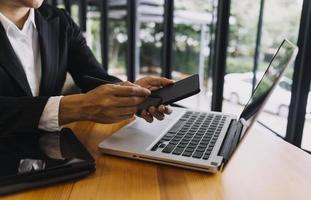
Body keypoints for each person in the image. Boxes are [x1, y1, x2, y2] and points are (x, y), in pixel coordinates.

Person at [0, 0, 173, 134]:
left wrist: (130, 92)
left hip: (47, 156)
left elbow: (92, 75)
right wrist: (74, 107)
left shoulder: (59, 20)